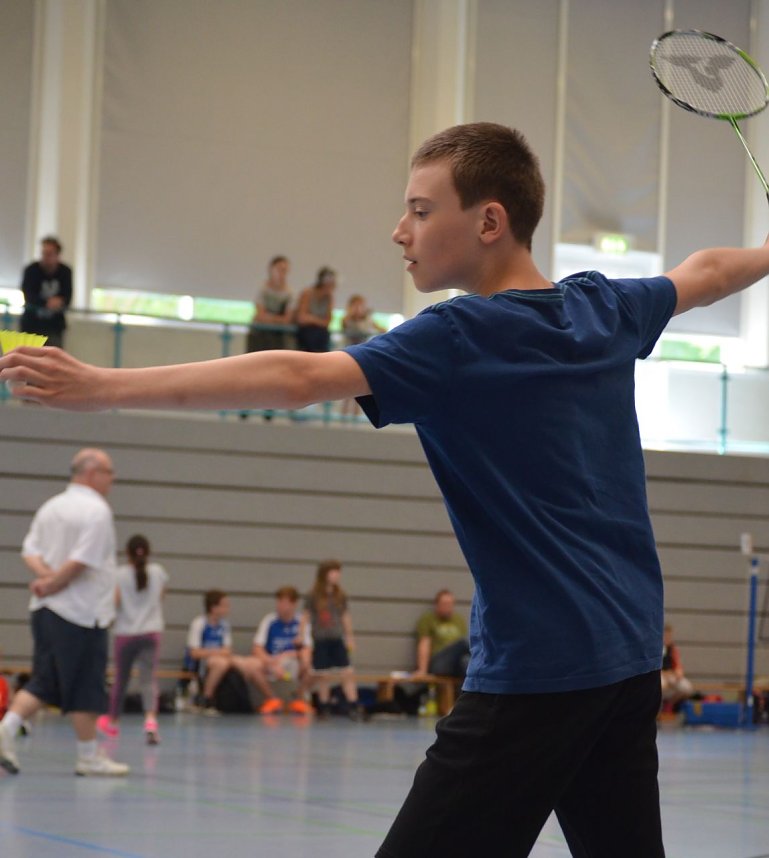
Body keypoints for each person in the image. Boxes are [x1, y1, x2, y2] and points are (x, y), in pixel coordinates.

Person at [4, 122, 769, 854]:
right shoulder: (603, 306)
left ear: (489, 221)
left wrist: (103, 385)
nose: (398, 229)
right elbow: (704, 274)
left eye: (419, 209)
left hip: (540, 672)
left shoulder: (457, 337)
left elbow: (297, 375)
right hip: (630, 659)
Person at [0, 448, 128, 777]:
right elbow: (82, 561)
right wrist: (55, 582)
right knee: (86, 684)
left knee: (45, 682)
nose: (112, 479)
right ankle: (88, 757)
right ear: (91, 473)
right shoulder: (97, 511)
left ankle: (5, 730)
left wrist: (44, 580)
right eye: (109, 472)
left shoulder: (51, 506)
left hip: (44, 611)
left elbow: (30, 551)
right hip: (80, 614)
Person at [97, 535, 168, 745]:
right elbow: (161, 597)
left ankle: (113, 721)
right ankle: (150, 722)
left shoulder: (118, 575)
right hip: (151, 632)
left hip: (126, 633)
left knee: (122, 679)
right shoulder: (158, 572)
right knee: (148, 680)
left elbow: (115, 602)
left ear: (127, 553)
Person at [186, 589, 281, 715]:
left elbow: (228, 650)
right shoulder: (199, 623)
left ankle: (268, 699)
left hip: (222, 658)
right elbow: (194, 652)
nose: (228, 608)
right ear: (214, 607)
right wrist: (217, 652)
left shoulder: (224, 625)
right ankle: (206, 698)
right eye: (224, 605)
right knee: (220, 663)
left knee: (252, 663)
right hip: (202, 662)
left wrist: (225, 655)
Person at [298, 560, 362, 719]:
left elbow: (345, 617)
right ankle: (324, 706)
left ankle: (353, 705)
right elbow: (305, 616)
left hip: (336, 638)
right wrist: (300, 634)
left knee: (347, 671)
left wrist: (350, 637)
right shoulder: (313, 595)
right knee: (323, 675)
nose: (336, 575)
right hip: (320, 639)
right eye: (333, 572)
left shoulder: (340, 595)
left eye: (338, 572)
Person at [252, 586, 314, 714]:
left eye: (285, 603)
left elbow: (308, 648)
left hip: (293, 662)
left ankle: (299, 700)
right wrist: (271, 662)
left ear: (294, 604)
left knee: (312, 666)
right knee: (252, 666)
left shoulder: (301, 622)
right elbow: (257, 648)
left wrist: (290, 655)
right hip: (272, 662)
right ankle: (272, 699)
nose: (281, 606)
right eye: (279, 602)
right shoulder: (269, 620)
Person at [19, 236, 73, 349]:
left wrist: (59, 302)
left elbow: (67, 297)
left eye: (49, 254)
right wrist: (46, 303)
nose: (45, 257)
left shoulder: (65, 272)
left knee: (53, 359)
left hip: (54, 326)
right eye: (43, 253)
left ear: (57, 255)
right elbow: (28, 295)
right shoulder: (31, 270)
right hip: (31, 325)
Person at [340, 294, 385, 417]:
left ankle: (355, 415)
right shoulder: (347, 319)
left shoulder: (367, 319)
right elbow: (346, 324)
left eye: (361, 305)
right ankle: (344, 414)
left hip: (362, 356)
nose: (360, 308)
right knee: (347, 387)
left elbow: (381, 329)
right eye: (357, 305)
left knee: (359, 388)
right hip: (348, 355)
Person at [415, 589, 470, 678]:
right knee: (465, 642)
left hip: (455, 664)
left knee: (466, 661)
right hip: (438, 663)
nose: (448, 607)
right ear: (437, 605)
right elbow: (424, 643)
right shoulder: (428, 619)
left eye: (450, 604)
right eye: (445, 604)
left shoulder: (458, 620)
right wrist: (422, 670)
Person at [246, 255, 294, 353]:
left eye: (284, 270)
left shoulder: (289, 293)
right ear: (271, 270)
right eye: (279, 269)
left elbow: (287, 319)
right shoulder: (263, 290)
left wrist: (268, 318)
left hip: (279, 337)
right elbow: (259, 315)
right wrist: (277, 319)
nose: (282, 274)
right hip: (259, 335)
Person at [294, 266, 335, 352]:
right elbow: (301, 318)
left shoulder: (330, 298)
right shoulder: (307, 293)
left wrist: (311, 318)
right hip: (306, 334)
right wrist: (319, 321)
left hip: (321, 335)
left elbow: (327, 321)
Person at [660, 623, 694, 709]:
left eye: (669, 636)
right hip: (661, 675)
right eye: (665, 636)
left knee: (687, 688)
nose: (667, 638)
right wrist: (665, 674)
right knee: (660, 686)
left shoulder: (673, 649)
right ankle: (658, 709)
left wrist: (679, 672)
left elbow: (678, 664)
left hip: (671, 675)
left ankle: (669, 704)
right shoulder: (657, 649)